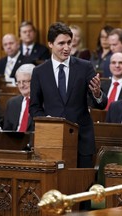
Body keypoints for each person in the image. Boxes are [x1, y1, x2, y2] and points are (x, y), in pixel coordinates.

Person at [30, 22, 107, 168]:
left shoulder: (85, 67)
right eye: (61, 43)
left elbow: (101, 104)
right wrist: (47, 123)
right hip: (51, 142)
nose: (66, 48)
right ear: (50, 44)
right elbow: (34, 107)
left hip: (81, 142)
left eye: (69, 43)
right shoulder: (40, 72)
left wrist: (97, 94)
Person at [3, 64, 35, 131]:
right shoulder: (12, 103)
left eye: (25, 81)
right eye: (18, 82)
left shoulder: (44, 103)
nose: (21, 86)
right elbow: (6, 131)